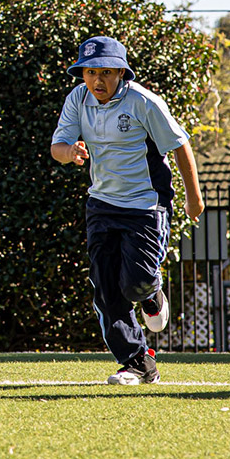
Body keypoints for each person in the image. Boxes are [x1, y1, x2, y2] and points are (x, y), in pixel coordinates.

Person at [49, 37, 203, 386]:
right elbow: (57, 147)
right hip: (101, 205)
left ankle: (151, 292)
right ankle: (137, 363)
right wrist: (69, 152)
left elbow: (179, 146)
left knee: (135, 283)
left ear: (121, 72)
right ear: (82, 73)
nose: (97, 81)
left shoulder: (143, 102)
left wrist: (194, 198)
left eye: (105, 72)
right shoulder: (77, 99)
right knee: (105, 290)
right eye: (90, 72)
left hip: (146, 206)